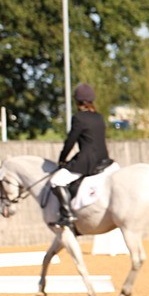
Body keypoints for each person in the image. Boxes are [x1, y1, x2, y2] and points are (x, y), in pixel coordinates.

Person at [50, 82, 109, 230]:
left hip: (87, 162)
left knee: (56, 181)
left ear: (77, 101)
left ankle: (67, 215)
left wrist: (62, 159)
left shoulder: (79, 118)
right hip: (104, 160)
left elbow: (70, 141)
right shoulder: (99, 117)